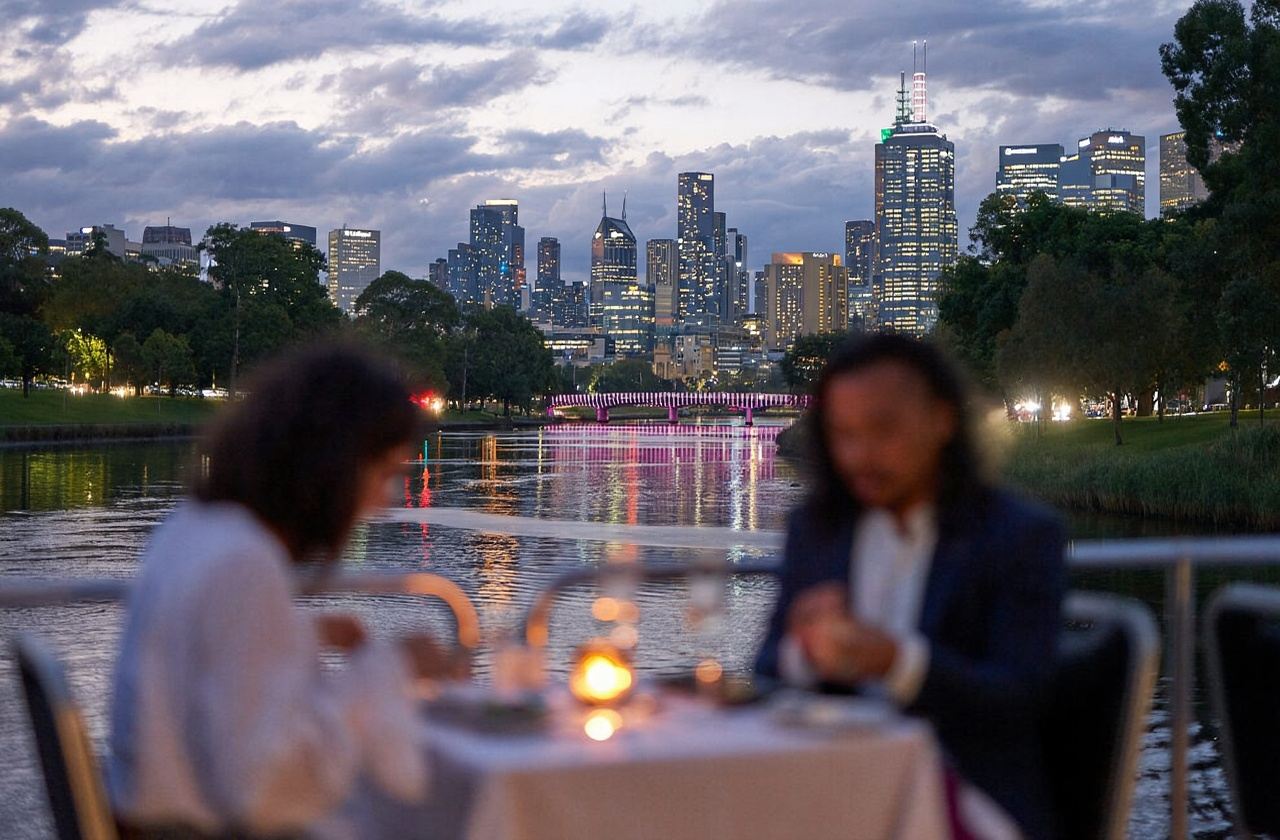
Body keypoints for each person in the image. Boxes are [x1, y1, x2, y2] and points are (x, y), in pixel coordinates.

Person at [110, 342, 458, 838]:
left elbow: (201, 665)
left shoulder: (191, 527)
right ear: (331, 466)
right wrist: (391, 667)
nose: (385, 502)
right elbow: (267, 793)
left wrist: (300, 632)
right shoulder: (243, 563)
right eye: (384, 474)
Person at [755, 334, 1066, 840]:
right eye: (844, 435)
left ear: (942, 420)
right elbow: (767, 670)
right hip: (833, 790)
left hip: (971, 797)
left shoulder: (1019, 537)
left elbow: (1019, 703)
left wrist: (898, 662)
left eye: (882, 430)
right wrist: (802, 648)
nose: (859, 455)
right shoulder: (817, 531)